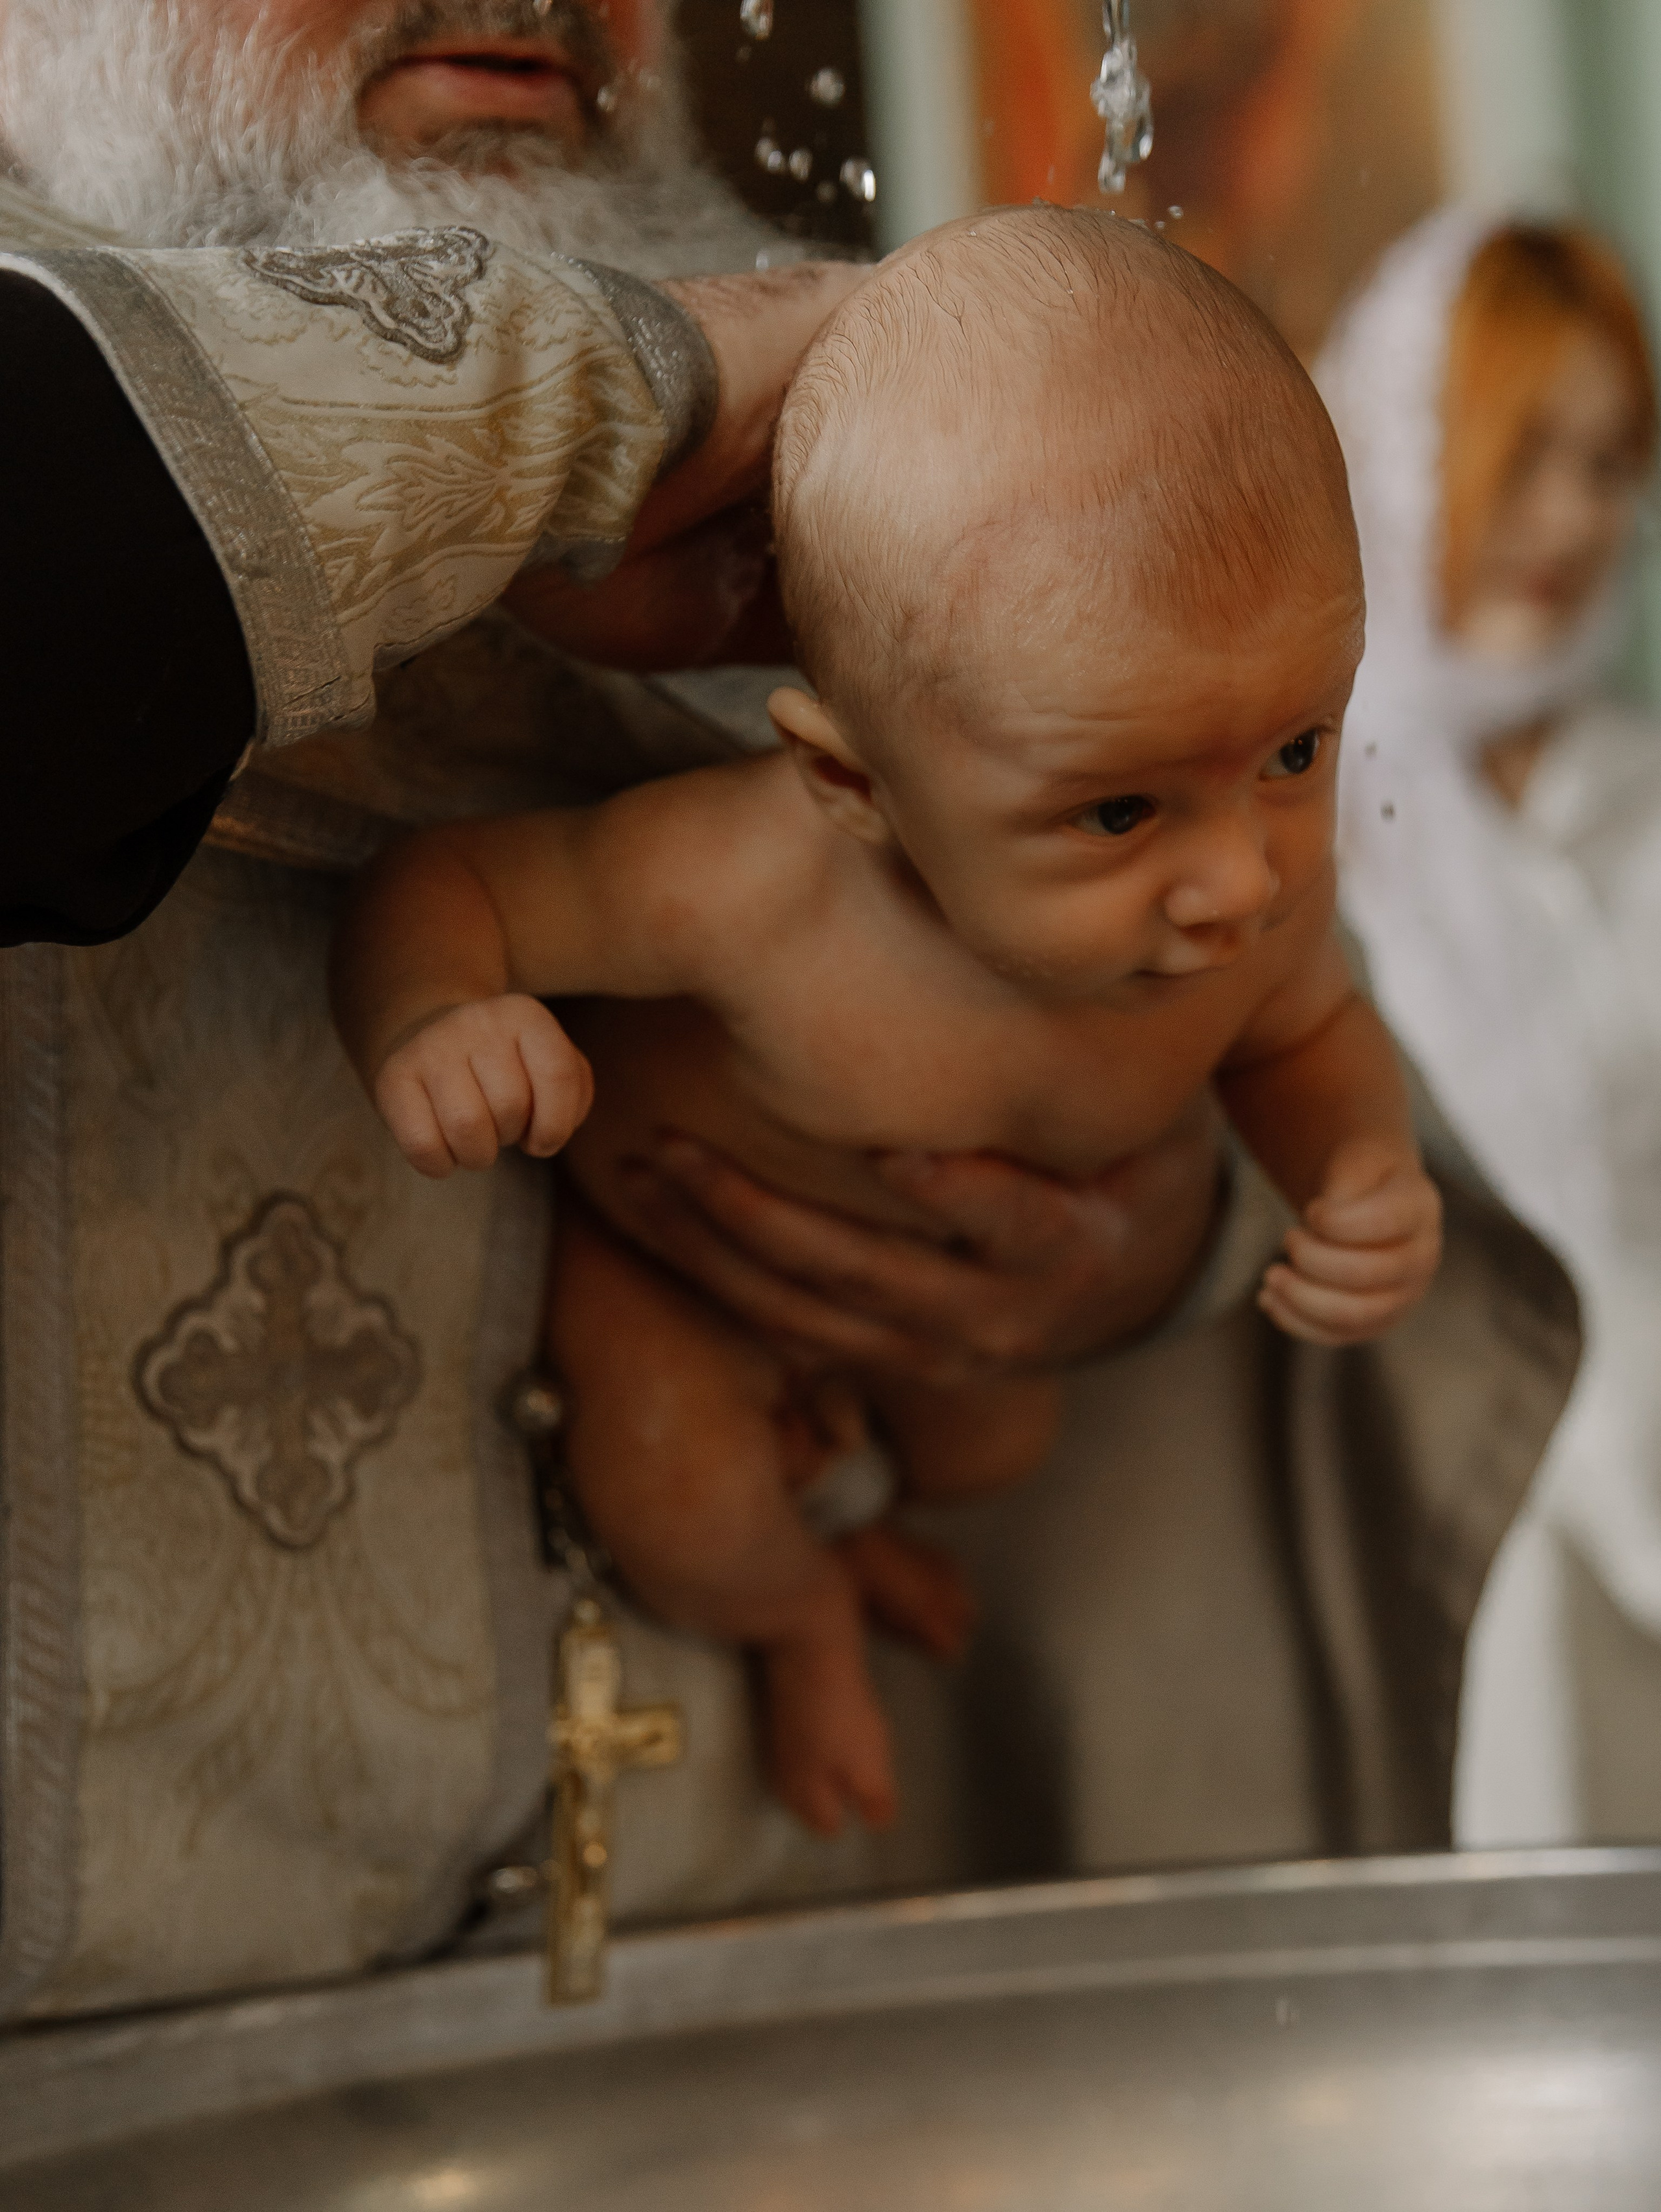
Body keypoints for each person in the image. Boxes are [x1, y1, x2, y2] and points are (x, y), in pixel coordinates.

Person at [0, 3, 1575, 2025]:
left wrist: (1145, 1241)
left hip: (768, 2023)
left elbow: (1295, 1027)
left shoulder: (891, 436)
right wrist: (553, 403)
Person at [334, 208, 1442, 1836]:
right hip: (671, 1268)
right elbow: (462, 884)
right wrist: (436, 1012)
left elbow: (1303, 1036)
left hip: (965, 1314)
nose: (1234, 884)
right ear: (849, 781)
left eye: (1294, 750)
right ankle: (800, 1618)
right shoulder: (742, 885)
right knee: (682, 1488)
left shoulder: (1246, 917)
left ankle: (856, 1512)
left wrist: (1361, 1167)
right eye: (1120, 809)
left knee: (995, 1442)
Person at [1319, 209, 1661, 1845]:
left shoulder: (1643, 796)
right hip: (1447, 1527)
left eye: (1608, 464)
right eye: (1528, 452)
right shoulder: (1301, 808)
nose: (1575, 517)